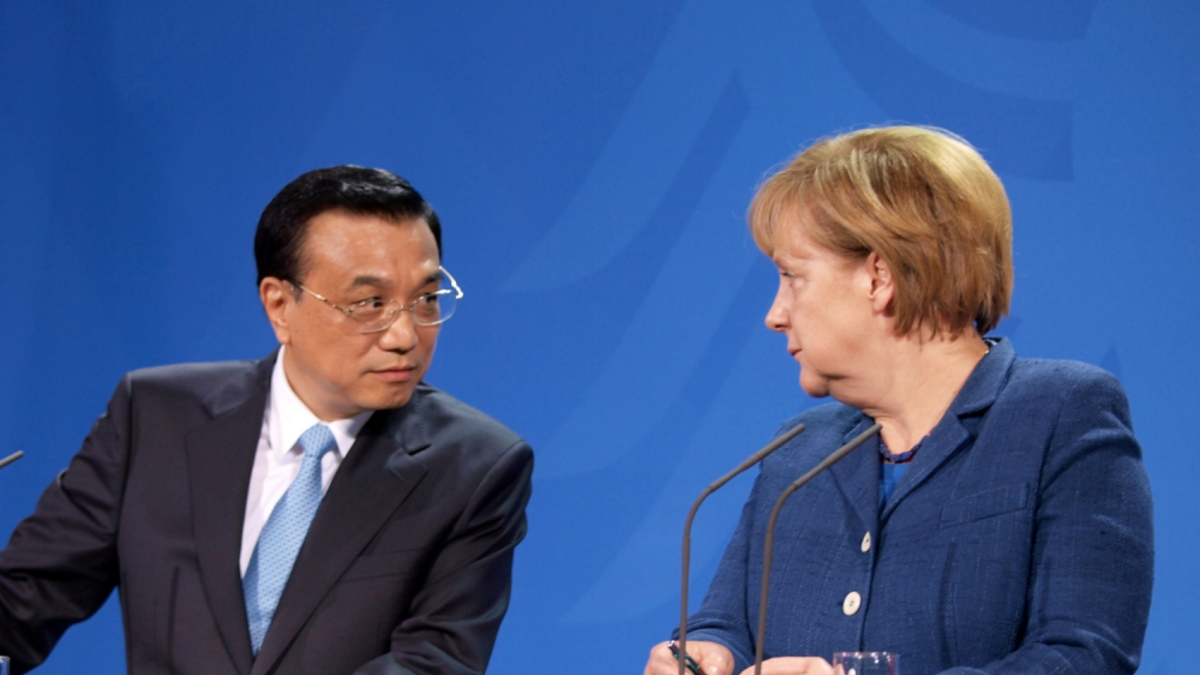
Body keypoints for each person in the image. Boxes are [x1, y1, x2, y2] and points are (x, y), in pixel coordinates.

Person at [644, 127, 1153, 675]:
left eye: (792, 276)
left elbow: (1083, 657)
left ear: (879, 276)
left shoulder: (1060, 413)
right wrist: (708, 653)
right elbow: (729, 624)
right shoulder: (798, 450)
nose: (774, 315)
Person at [0, 166, 534, 675]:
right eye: (370, 303)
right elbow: (24, 602)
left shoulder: (475, 466)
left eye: (426, 298)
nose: (406, 335)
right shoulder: (154, 416)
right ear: (279, 305)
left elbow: (432, 662)